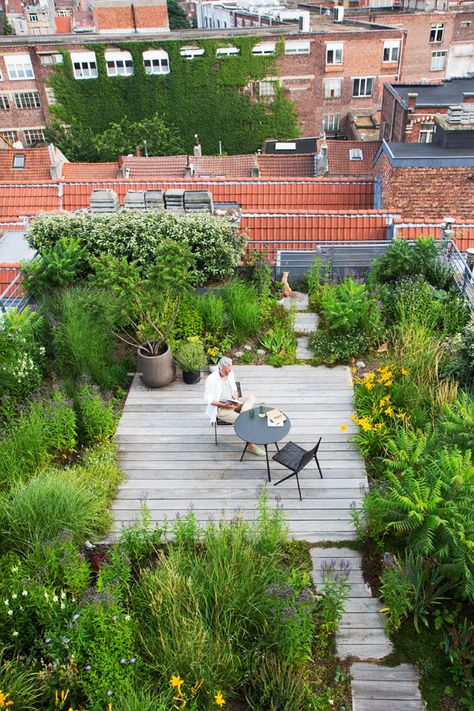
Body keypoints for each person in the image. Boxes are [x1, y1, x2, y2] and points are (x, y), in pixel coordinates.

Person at [204, 356, 264, 455]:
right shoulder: (211, 379)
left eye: (229, 370)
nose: (228, 373)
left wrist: (235, 396)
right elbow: (208, 399)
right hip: (221, 408)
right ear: (219, 368)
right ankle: (250, 445)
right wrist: (224, 405)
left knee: (251, 397)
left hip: (233, 402)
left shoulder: (230, 373)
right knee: (243, 421)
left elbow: (234, 387)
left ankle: (244, 416)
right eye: (225, 372)